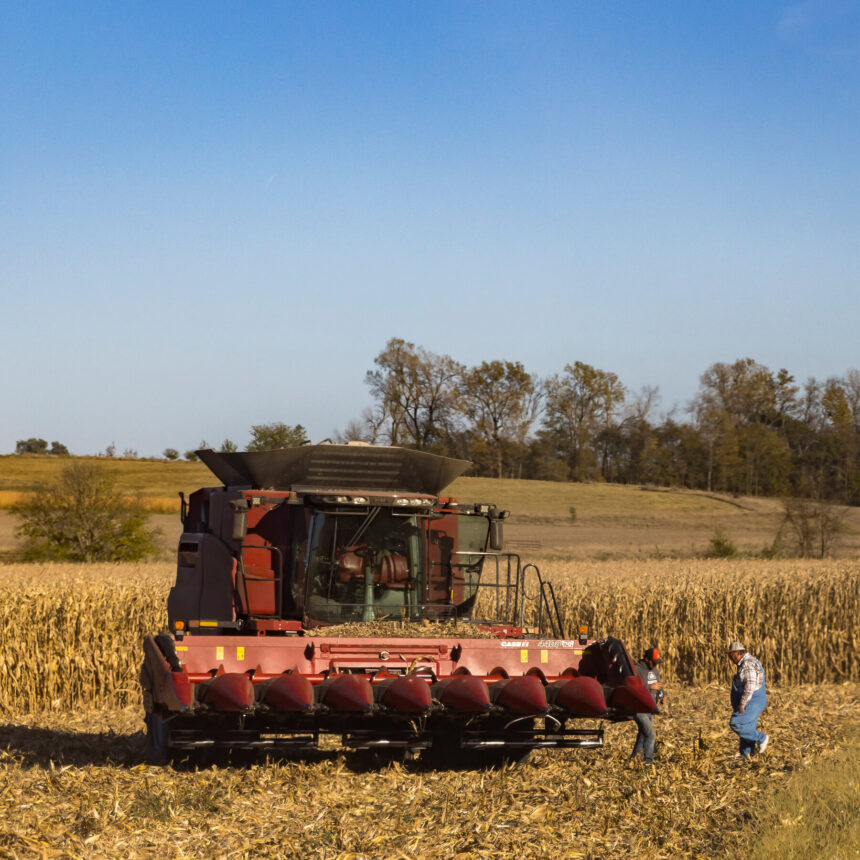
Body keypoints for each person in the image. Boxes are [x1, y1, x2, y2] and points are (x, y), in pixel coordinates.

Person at [727, 641, 769, 759]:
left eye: (731, 654)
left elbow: (750, 686)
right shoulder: (749, 662)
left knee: (737, 723)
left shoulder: (747, 664)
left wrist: (742, 703)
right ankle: (748, 758)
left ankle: (761, 738)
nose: (730, 657)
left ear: (738, 653)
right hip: (754, 700)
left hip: (752, 701)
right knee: (747, 729)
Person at [630, 646, 663, 765]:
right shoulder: (636, 669)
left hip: (650, 708)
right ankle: (648, 762)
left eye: (656, 663)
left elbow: (658, 685)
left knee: (643, 734)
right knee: (651, 735)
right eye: (653, 662)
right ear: (646, 659)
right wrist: (650, 687)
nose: (655, 665)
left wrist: (662, 694)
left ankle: (634, 759)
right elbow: (632, 688)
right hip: (640, 708)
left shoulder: (654, 670)